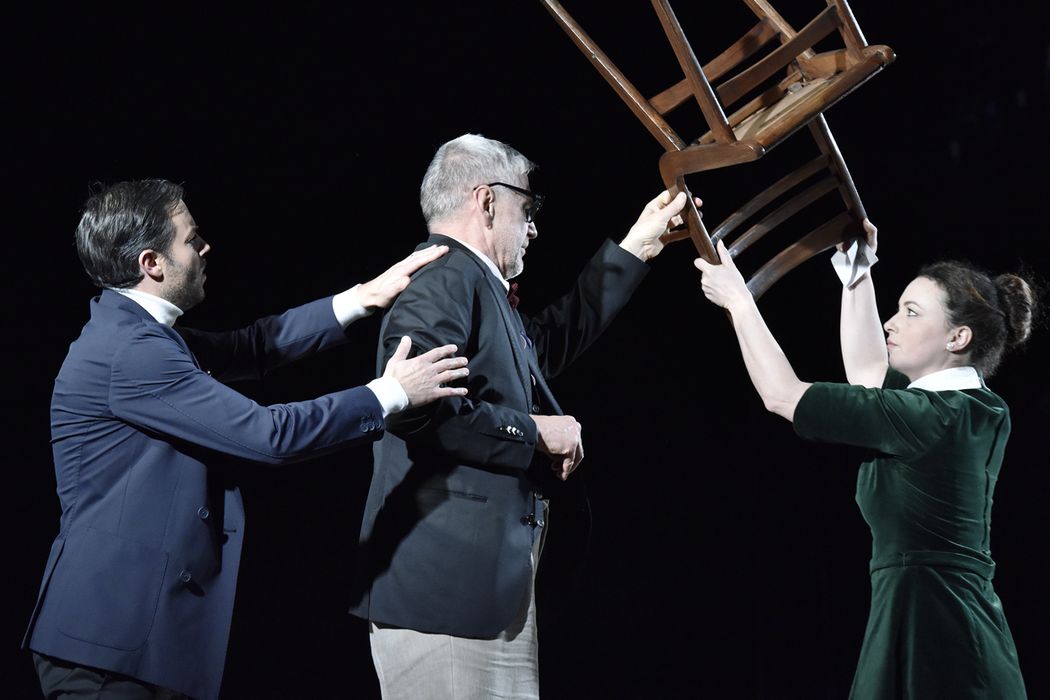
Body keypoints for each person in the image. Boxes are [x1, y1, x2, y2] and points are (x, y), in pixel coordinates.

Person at [24, 179, 470, 700]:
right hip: (107, 642)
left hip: (132, 639)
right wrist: (390, 393)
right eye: (191, 239)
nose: (205, 247)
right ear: (152, 263)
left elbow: (253, 347)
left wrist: (363, 297)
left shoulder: (140, 333)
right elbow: (269, 435)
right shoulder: (132, 351)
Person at [348, 133, 695, 699]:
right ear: (486, 201)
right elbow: (413, 410)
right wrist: (533, 431)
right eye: (527, 208)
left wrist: (638, 245)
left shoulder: (475, 282)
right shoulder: (442, 278)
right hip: (447, 597)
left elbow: (546, 343)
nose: (533, 227)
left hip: (485, 591)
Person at [695, 221, 1032, 698]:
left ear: (957, 338)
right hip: (942, 613)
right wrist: (857, 271)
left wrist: (739, 301)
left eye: (911, 313)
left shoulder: (930, 417)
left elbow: (782, 395)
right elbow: (870, 370)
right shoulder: (972, 407)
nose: (891, 323)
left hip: (936, 629)